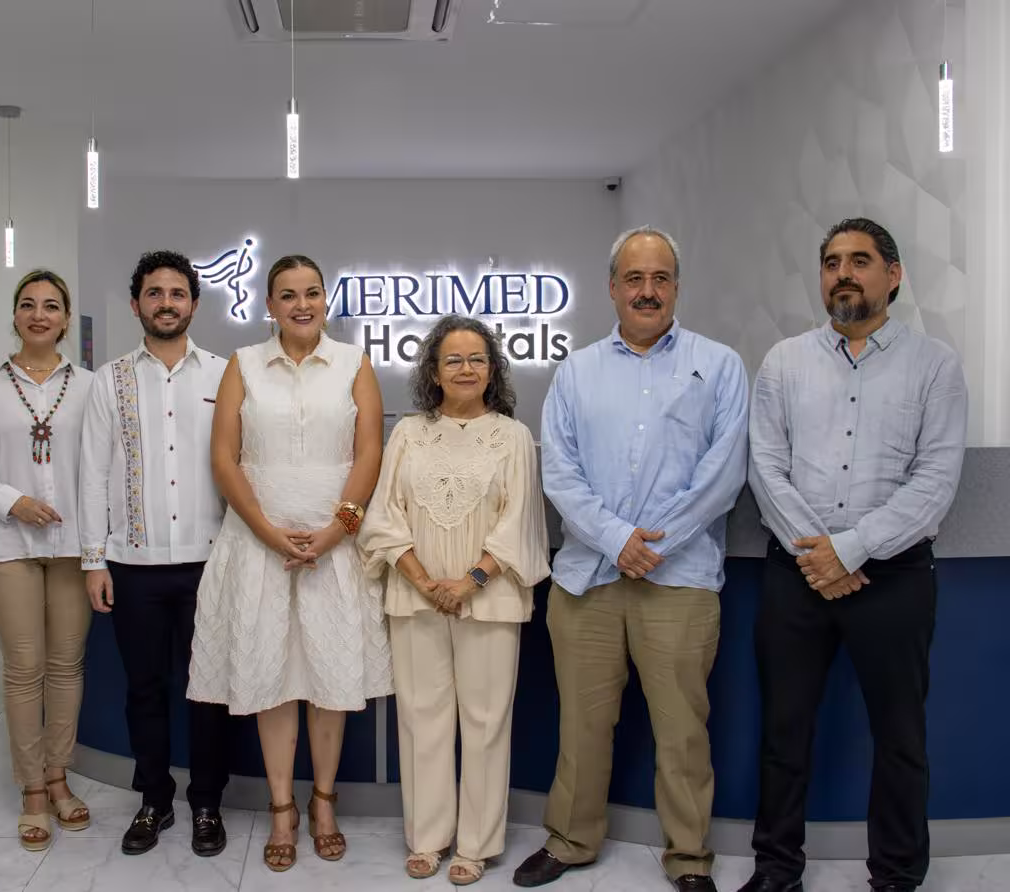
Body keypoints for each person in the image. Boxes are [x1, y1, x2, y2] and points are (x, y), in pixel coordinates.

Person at [516, 227, 749, 891]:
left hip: (680, 581)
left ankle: (689, 858)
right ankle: (570, 841)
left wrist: (653, 545)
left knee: (683, 732)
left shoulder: (719, 366)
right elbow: (559, 472)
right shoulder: (576, 371)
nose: (648, 290)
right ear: (613, 287)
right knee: (583, 728)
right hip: (587, 580)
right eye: (635, 278)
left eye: (660, 278)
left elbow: (723, 473)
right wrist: (617, 540)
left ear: (677, 286)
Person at [740, 218, 967, 892]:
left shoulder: (935, 365)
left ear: (893, 275)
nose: (843, 273)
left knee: (900, 738)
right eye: (832, 262)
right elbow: (765, 467)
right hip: (796, 574)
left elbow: (935, 482)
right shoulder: (784, 362)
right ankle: (777, 869)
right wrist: (819, 558)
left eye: (859, 260)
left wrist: (848, 551)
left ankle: (896, 874)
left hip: (895, 576)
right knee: (783, 732)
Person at [186, 254, 393, 873]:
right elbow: (223, 457)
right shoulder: (243, 364)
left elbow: (370, 451)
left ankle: (323, 803)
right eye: (288, 294)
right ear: (269, 305)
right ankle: (282, 809)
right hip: (258, 545)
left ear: (325, 300)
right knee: (270, 680)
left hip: (335, 547)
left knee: (330, 682)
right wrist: (266, 531)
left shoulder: (354, 363)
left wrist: (337, 529)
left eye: (312, 293)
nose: (302, 304)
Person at [360, 315, 550, 885]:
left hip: (490, 597)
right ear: (434, 373)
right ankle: (428, 838)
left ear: (492, 370)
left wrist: (470, 581)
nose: (466, 369)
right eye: (453, 360)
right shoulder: (408, 434)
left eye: (477, 359)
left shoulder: (512, 436)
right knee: (422, 719)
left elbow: (521, 520)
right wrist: (424, 582)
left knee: (487, 722)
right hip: (415, 597)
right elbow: (383, 516)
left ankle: (476, 845)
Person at [78, 250, 233, 858]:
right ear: (136, 303)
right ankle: (154, 799)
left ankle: (207, 803)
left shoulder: (225, 375)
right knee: (144, 688)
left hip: (210, 562)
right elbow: (93, 474)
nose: (166, 303)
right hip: (133, 565)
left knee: (210, 690)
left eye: (177, 293)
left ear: (193, 303)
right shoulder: (109, 379)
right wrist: (94, 559)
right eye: (154, 293)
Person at [0, 269, 94, 851]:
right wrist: (10, 501)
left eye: (51, 306)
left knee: (66, 666)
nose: (39, 314)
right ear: (15, 315)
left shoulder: (90, 386)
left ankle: (59, 775)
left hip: (72, 544)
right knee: (24, 667)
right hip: (6, 543)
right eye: (28, 304)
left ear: (65, 319)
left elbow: (104, 464)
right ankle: (33, 789)